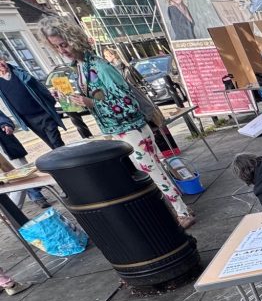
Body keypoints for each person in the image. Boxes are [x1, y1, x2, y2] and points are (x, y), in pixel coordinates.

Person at [40, 16, 195, 228]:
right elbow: (101, 97)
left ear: (74, 39)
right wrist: (81, 101)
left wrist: (91, 103)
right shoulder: (81, 66)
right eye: (57, 47)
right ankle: (178, 208)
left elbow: (126, 103)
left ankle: (182, 211)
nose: (62, 50)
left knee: (153, 170)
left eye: (64, 44)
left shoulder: (99, 66)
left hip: (131, 128)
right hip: (120, 129)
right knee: (152, 168)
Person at [103, 48, 179, 157]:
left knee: (155, 123)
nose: (107, 58)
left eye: (108, 55)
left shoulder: (128, 68)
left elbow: (140, 81)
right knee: (147, 130)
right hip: (130, 103)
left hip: (141, 98)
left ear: (114, 55)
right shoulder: (110, 71)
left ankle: (169, 151)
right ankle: (157, 153)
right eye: (105, 56)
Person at [0, 58, 64, 148]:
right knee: (50, 143)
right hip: (28, 119)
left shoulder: (19, 72)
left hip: (43, 112)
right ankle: (64, 158)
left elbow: (39, 87)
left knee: (56, 141)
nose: (1, 64)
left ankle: (66, 158)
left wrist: (51, 100)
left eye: (0, 60)